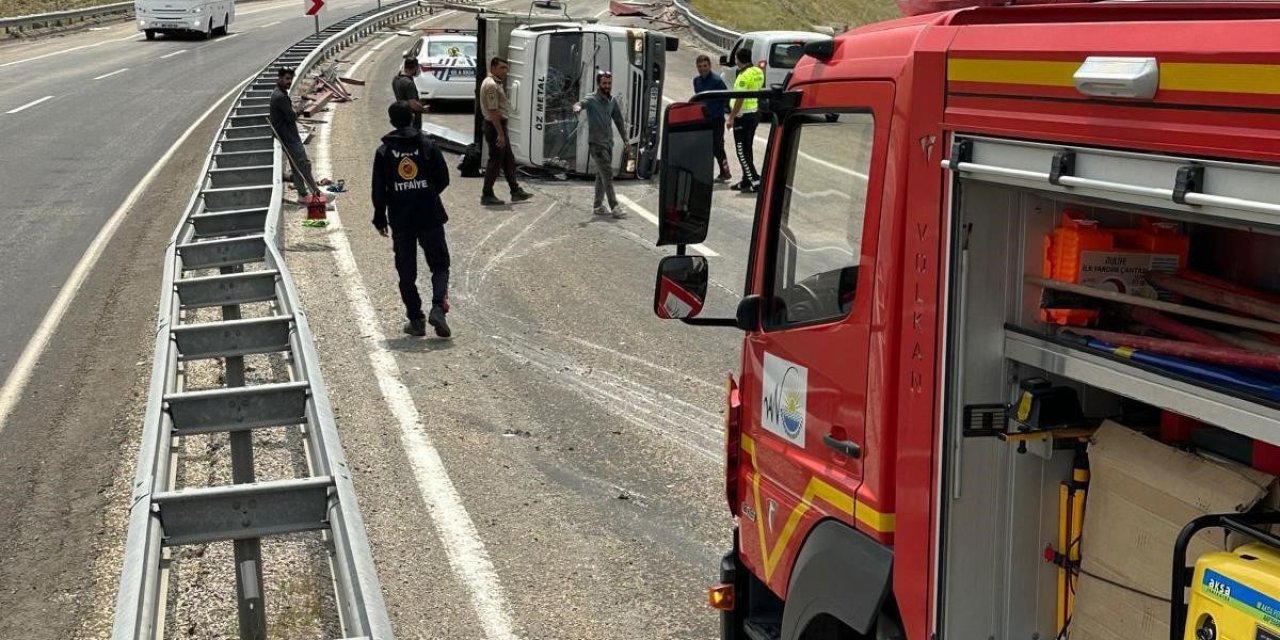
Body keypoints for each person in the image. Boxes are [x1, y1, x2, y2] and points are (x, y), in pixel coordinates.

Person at [371, 101, 453, 338]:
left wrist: (379, 217)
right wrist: (426, 193)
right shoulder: (427, 145)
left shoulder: (385, 152)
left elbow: (378, 189)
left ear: (391, 121)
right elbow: (443, 178)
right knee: (439, 264)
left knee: (406, 270)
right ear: (412, 118)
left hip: (401, 218)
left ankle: (416, 319)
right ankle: (438, 307)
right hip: (429, 214)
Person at [573, 70, 630, 219]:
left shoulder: (612, 101)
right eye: (604, 83)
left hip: (608, 143)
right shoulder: (592, 99)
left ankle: (598, 205)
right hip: (596, 145)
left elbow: (618, 120)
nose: (607, 86)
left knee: (601, 174)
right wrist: (577, 108)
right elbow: (581, 103)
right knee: (607, 174)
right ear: (598, 84)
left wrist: (625, 139)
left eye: (609, 83)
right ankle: (614, 206)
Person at [479, 56, 533, 207]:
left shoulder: (496, 83)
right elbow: (493, 111)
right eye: (502, 68)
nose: (505, 71)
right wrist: (500, 134)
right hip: (494, 126)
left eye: (506, 68)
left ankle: (515, 191)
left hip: (499, 125)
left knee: (508, 159)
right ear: (494, 67)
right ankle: (487, 193)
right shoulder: (491, 85)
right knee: (495, 161)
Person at [269, 67, 318, 204]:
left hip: (288, 136)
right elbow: (291, 117)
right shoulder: (280, 96)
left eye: (291, 79)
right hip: (289, 138)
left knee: (297, 167)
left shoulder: (280, 93)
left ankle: (303, 195)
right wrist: (300, 110)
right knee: (304, 165)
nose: (289, 82)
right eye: (286, 79)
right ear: (279, 78)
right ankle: (316, 194)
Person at [727, 48, 765, 193]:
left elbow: (740, 98)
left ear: (738, 59)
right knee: (747, 149)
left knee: (741, 151)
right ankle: (745, 180)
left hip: (742, 116)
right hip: (754, 113)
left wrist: (731, 117)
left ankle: (754, 180)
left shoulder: (743, 76)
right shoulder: (758, 72)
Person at [692, 54, 732, 183]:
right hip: (702, 119)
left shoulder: (717, 81)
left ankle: (725, 171)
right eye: (700, 66)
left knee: (718, 147)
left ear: (709, 66)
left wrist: (719, 111)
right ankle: (704, 172)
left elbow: (725, 99)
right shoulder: (696, 81)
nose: (702, 68)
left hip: (716, 119)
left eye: (705, 66)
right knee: (703, 147)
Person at [392, 57, 429, 131]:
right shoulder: (409, 83)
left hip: (402, 116)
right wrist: (423, 109)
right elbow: (413, 104)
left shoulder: (396, 79)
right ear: (415, 68)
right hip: (412, 118)